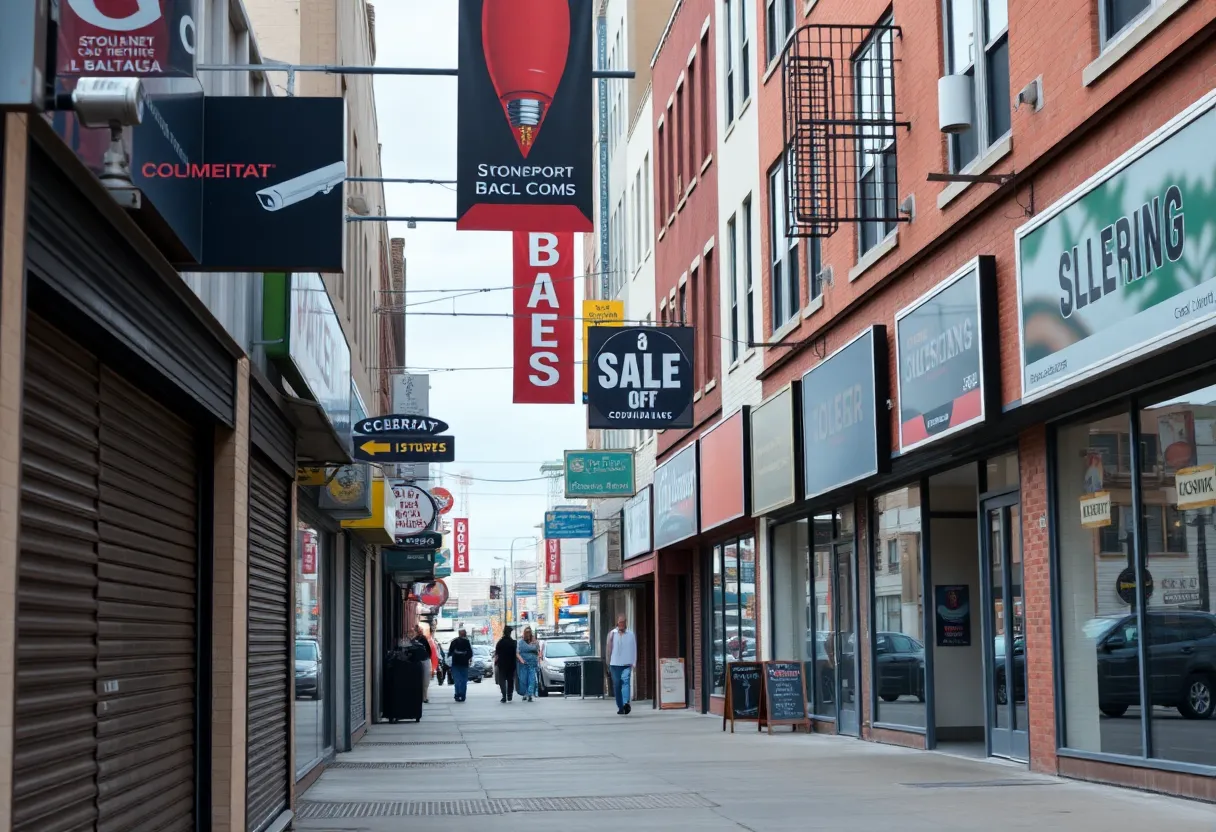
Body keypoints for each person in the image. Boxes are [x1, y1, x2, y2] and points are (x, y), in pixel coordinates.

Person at [607, 614, 637, 715]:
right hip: (614, 664)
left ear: (626, 623)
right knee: (617, 685)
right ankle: (620, 707)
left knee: (626, 681)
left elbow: (634, 648)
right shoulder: (612, 634)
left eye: (623, 622)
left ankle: (626, 703)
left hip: (626, 663)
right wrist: (608, 662)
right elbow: (608, 649)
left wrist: (634, 662)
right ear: (617, 623)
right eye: (620, 622)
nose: (622, 624)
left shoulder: (631, 634)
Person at [448, 628, 473, 702]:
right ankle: (462, 695)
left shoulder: (453, 642)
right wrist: (466, 658)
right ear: (464, 634)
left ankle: (457, 694)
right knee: (464, 681)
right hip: (464, 664)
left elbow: (450, 653)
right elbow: (470, 653)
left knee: (457, 680)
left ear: (459, 634)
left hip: (455, 664)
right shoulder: (467, 642)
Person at [494, 626, 517, 702]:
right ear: (510, 633)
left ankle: (504, 696)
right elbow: (516, 653)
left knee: (502, 680)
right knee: (510, 680)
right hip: (511, 664)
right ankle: (509, 695)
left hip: (502, 664)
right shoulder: (513, 642)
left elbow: (496, 653)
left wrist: (496, 662)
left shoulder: (500, 642)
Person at [517, 626, 540, 701]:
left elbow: (538, 652)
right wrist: (521, 660)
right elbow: (517, 653)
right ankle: (525, 693)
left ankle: (530, 694)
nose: (527, 634)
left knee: (531, 679)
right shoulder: (520, 642)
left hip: (532, 664)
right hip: (524, 664)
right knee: (524, 679)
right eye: (526, 632)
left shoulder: (535, 642)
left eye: (529, 632)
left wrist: (537, 659)